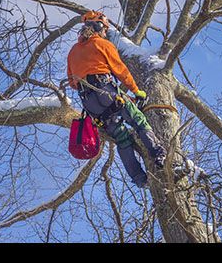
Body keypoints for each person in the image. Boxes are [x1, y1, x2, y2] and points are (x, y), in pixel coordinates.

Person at [67, 10, 166, 188]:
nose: (106, 32)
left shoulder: (73, 52)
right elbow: (121, 71)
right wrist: (137, 92)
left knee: (121, 137)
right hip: (106, 92)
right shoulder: (103, 44)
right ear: (98, 27)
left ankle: (139, 179)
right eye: (104, 29)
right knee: (137, 119)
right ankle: (158, 153)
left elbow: (72, 82)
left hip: (90, 105)